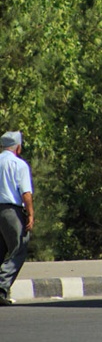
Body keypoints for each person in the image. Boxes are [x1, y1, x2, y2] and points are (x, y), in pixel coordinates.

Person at [0, 131, 33, 306]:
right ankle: (1, 287)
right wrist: (30, 214)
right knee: (19, 247)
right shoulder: (18, 164)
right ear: (18, 147)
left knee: (1, 249)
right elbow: (26, 193)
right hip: (10, 210)